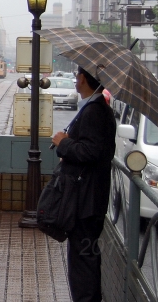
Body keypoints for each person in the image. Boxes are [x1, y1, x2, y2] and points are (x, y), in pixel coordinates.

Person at [51, 66, 117, 302]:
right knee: (85, 256)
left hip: (86, 200)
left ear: (83, 80)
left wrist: (63, 144)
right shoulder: (96, 109)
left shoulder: (94, 112)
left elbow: (91, 151)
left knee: (83, 260)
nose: (75, 82)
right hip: (92, 196)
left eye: (77, 78)